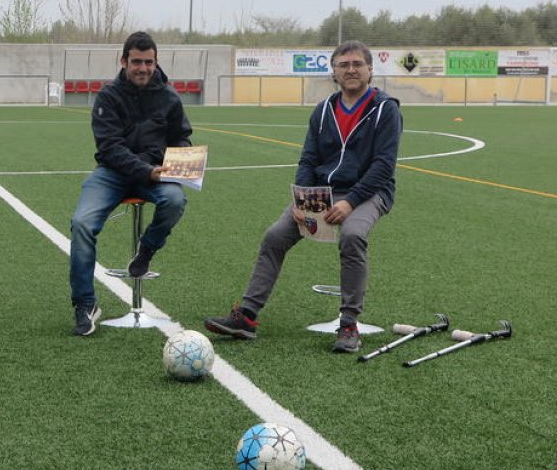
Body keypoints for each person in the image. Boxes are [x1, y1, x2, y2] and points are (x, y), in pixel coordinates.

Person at [204, 40, 402, 353]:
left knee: (351, 236)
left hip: (367, 192)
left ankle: (349, 324)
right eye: (343, 65)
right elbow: (308, 160)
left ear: (370, 69)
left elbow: (383, 166)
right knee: (275, 236)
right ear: (334, 72)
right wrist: (301, 200)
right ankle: (247, 317)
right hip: (321, 193)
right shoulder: (323, 110)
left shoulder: (385, 110)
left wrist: (350, 202)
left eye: (357, 64)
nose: (351, 70)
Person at [68, 31, 193, 336]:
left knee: (175, 201)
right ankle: (85, 304)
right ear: (123, 62)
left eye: (148, 62)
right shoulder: (108, 97)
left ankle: (145, 251)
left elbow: (181, 137)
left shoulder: (169, 97)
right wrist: (145, 171)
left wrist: (183, 163)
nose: (143, 68)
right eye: (136, 62)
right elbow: (109, 148)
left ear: (156, 62)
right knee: (81, 223)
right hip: (112, 174)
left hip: (155, 172)